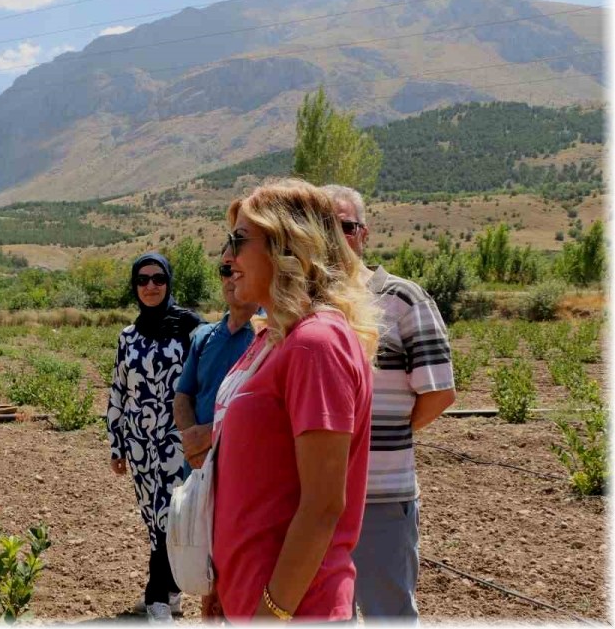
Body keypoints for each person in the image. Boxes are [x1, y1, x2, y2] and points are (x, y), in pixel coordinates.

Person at [209, 178, 379, 623]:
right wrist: (224, 586)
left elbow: (323, 506)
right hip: (251, 601)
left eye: (238, 241)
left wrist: (271, 614)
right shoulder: (276, 337)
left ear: (288, 245)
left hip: (297, 611)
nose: (227, 258)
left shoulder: (315, 343)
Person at [323, 184, 456, 620]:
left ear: (364, 234)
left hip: (379, 493)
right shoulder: (305, 303)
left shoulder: (403, 298)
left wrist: (374, 438)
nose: (333, 238)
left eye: (344, 227)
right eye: (322, 226)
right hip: (312, 497)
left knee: (387, 613)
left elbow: (438, 391)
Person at [108, 252, 203, 623]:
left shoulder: (190, 329)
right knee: (154, 520)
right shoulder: (127, 336)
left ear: (169, 283)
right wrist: (116, 443)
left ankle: (157, 599)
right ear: (135, 286)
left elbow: (207, 378)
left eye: (158, 279)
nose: (150, 286)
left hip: (177, 443)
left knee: (171, 517)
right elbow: (118, 391)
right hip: (139, 446)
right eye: (143, 280)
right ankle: (172, 594)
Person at [173, 267, 260, 472]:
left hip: (244, 467)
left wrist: (211, 435)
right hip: (198, 467)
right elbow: (183, 397)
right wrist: (195, 444)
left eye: (241, 270)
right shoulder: (203, 337)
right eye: (227, 270)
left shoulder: (271, 338)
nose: (233, 278)